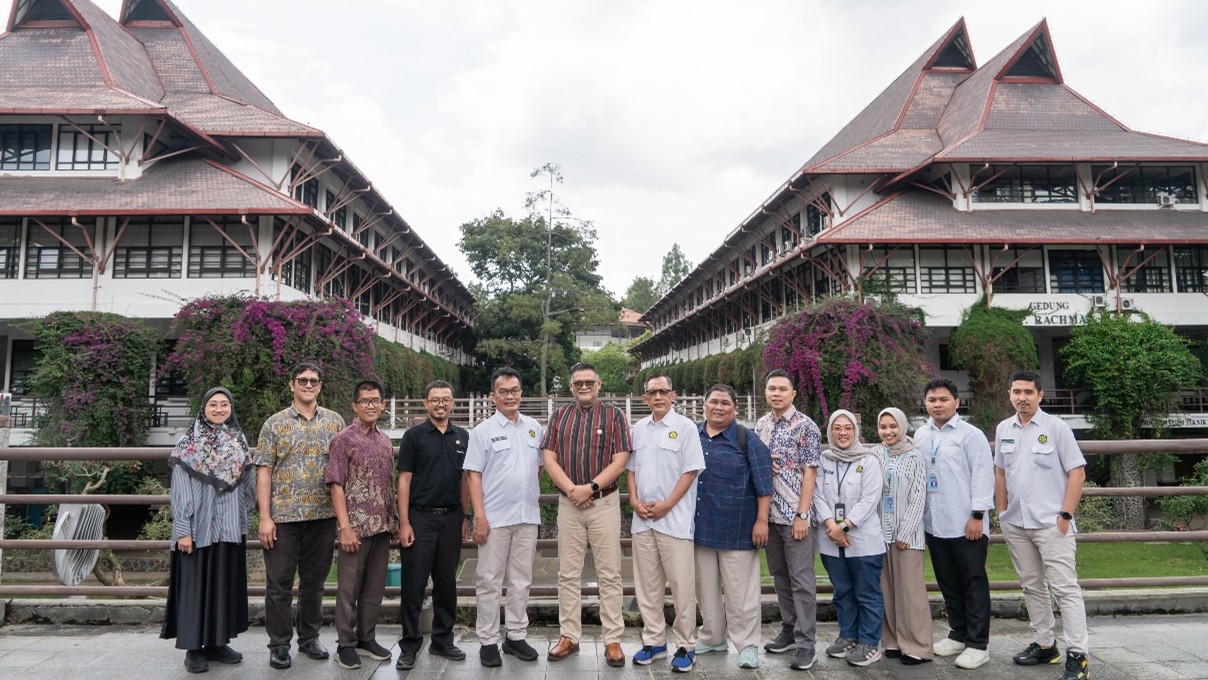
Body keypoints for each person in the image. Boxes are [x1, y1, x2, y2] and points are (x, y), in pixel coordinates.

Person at [995, 371, 1089, 680]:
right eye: (1016, 391)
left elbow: (1077, 473)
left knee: (1065, 589)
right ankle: (1045, 644)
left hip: (1052, 524)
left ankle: (1078, 655)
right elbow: (1000, 473)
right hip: (1016, 523)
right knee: (1032, 585)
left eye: (1028, 392)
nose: (1022, 397)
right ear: (1010, 394)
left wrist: (1065, 516)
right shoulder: (1003, 429)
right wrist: (1002, 512)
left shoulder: (1057, 428)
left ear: (1040, 395)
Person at [255, 363, 346, 669]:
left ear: (320, 386)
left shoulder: (335, 422)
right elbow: (264, 471)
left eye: (314, 381)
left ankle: (309, 638)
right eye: (302, 380)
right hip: (283, 518)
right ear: (291, 384)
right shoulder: (274, 424)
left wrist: (343, 518)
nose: (308, 385)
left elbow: (342, 470)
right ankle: (279, 644)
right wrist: (265, 517)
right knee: (279, 583)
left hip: (322, 517)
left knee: (314, 582)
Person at [541, 362, 632, 667]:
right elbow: (549, 458)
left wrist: (590, 488)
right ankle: (569, 635)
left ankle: (613, 639)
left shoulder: (614, 415)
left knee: (610, 573)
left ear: (599, 384)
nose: (583, 387)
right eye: (578, 383)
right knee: (568, 574)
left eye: (589, 383)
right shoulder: (559, 416)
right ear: (570, 386)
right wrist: (572, 490)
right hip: (569, 504)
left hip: (603, 503)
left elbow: (620, 459)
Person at [161, 387, 255, 674]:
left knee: (222, 585)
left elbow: (248, 483)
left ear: (231, 408)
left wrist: (246, 519)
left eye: (224, 404)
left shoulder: (238, 441)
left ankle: (217, 642)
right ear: (203, 408)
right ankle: (193, 648)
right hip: (197, 529)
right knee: (195, 588)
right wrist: (183, 530)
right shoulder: (188, 443)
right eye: (213, 404)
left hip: (229, 528)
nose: (218, 409)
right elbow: (180, 488)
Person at [913, 377, 994, 670]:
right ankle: (958, 633)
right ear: (925, 403)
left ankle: (978, 644)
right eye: (932, 400)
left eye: (943, 399)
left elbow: (983, 475)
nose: (938, 405)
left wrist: (977, 516)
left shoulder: (971, 435)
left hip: (966, 523)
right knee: (948, 582)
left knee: (973, 582)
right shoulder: (920, 434)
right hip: (934, 523)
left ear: (956, 402)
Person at [464, 368, 543, 667]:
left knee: (521, 581)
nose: (510, 396)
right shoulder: (482, 431)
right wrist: (479, 517)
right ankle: (487, 640)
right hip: (494, 519)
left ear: (521, 392)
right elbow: (473, 475)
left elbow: (539, 467)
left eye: (515, 390)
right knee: (489, 580)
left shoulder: (534, 428)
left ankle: (516, 636)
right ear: (493, 396)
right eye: (504, 391)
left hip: (527, 516)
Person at [627, 373, 706, 673]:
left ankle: (686, 645)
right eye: (652, 392)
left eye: (663, 391)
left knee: (682, 587)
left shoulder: (685, 428)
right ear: (645, 398)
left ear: (673, 395)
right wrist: (634, 501)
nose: (658, 397)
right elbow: (631, 470)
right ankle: (654, 641)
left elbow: (691, 471)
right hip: (643, 521)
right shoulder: (638, 429)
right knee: (648, 587)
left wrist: (668, 505)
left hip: (674, 521)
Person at [693, 383, 774, 670]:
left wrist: (761, 521)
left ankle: (747, 644)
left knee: (741, 593)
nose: (719, 407)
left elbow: (764, 485)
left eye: (725, 403)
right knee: (705, 590)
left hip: (738, 527)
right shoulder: (693, 436)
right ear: (704, 404)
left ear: (734, 408)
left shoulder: (746, 439)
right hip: (700, 527)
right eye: (714, 401)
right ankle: (712, 637)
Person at [395, 380, 470, 670]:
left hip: (451, 518)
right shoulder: (413, 436)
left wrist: (465, 516)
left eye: (446, 399)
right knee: (413, 584)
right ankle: (409, 644)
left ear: (453, 403)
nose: (441, 404)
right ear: (426, 403)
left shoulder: (462, 436)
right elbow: (404, 480)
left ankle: (442, 640)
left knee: (446, 583)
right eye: (435, 399)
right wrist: (404, 522)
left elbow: (465, 480)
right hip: (419, 518)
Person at [325, 380, 398, 670]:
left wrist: (393, 520)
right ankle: (345, 644)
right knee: (348, 589)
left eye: (375, 400)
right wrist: (344, 526)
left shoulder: (385, 440)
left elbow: (389, 483)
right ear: (354, 405)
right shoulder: (343, 439)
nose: (370, 405)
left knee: (374, 588)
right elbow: (335, 484)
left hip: (381, 526)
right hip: (355, 527)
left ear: (383, 405)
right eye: (364, 401)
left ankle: (367, 638)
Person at [754, 369, 821, 672]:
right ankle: (789, 629)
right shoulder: (762, 425)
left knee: (802, 581)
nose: (777, 393)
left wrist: (802, 514)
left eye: (783, 388)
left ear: (793, 393)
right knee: (780, 576)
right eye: (772, 388)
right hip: (770, 516)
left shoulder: (805, 426)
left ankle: (806, 643)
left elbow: (810, 471)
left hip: (796, 516)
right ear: (766, 393)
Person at [815, 409, 885, 668]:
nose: (842, 433)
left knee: (867, 593)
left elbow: (870, 499)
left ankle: (869, 643)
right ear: (830, 432)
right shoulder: (824, 460)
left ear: (856, 431)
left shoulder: (869, 460)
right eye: (837, 428)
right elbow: (817, 495)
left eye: (848, 428)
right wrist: (831, 526)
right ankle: (848, 636)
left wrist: (843, 526)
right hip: (830, 539)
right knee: (842, 591)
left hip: (863, 540)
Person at [874, 407, 931, 666]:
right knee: (887, 590)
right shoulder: (875, 454)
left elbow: (919, 497)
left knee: (910, 592)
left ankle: (917, 646)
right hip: (881, 535)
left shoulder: (915, 456)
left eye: (893, 426)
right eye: (883, 427)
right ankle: (893, 640)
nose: (888, 432)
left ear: (902, 426)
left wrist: (905, 532)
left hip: (908, 536)